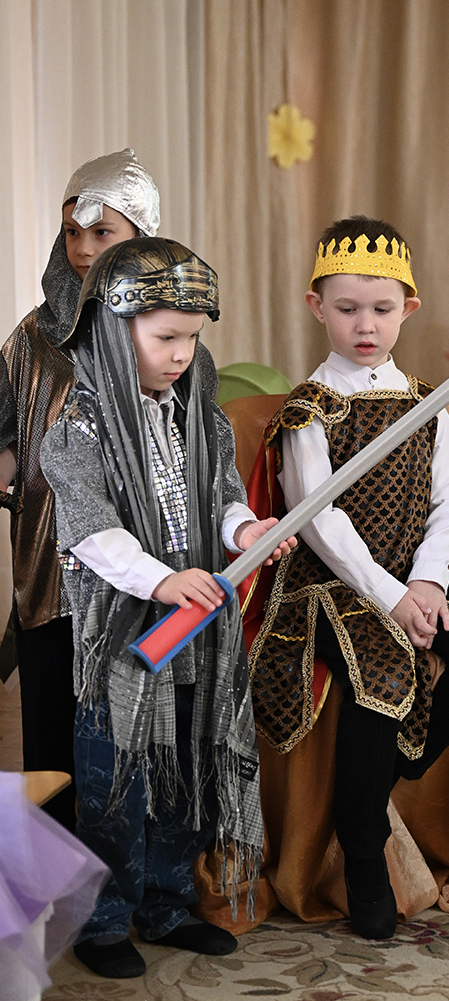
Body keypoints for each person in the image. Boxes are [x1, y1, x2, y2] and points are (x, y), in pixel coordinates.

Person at [246, 216, 449, 941]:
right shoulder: (311, 408)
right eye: (347, 309)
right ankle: (363, 851)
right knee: (382, 667)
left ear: (409, 308)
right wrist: (392, 597)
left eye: (380, 309)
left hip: (411, 578)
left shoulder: (426, 403)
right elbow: (318, 519)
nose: (365, 325)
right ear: (317, 307)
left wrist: (426, 583)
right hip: (331, 584)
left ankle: (401, 761)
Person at [40, 237, 293, 980]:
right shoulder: (78, 428)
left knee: (186, 762)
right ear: (113, 331)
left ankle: (168, 901)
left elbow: (220, 497)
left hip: (197, 635)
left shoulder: (198, 419)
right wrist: (160, 581)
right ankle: (103, 918)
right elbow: (91, 530)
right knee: (116, 780)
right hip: (123, 637)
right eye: (165, 338)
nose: (182, 354)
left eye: (192, 338)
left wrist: (244, 530)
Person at [0, 150, 161, 831]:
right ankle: (56, 880)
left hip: (140, 572)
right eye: (73, 232)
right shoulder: (32, 338)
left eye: (103, 232)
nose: (85, 248)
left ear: (142, 236)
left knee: (131, 739)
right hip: (48, 566)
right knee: (53, 737)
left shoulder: (165, 333)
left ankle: (129, 877)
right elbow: (8, 434)